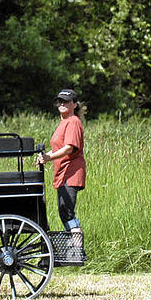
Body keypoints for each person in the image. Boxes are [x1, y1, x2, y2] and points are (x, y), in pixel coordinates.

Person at [35, 88, 86, 244]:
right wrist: (43, 157)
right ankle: (74, 248)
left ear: (74, 104)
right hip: (62, 173)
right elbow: (59, 148)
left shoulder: (73, 122)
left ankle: (77, 249)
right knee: (64, 211)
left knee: (67, 212)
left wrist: (48, 157)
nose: (62, 104)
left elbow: (69, 148)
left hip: (71, 173)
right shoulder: (64, 122)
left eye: (66, 101)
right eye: (60, 101)